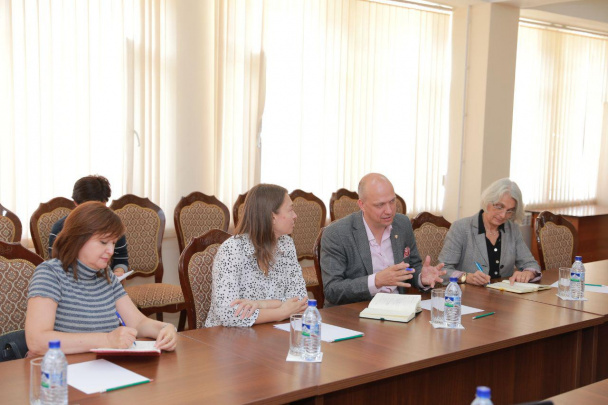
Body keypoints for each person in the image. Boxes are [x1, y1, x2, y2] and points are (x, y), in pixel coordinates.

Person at [26, 202, 177, 355]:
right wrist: (106, 340)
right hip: (64, 366)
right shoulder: (50, 273)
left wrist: (165, 328)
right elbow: (37, 341)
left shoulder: (106, 275)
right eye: (103, 242)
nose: (111, 250)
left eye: (113, 242)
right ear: (78, 238)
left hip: (104, 364)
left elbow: (138, 322)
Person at [320, 173, 446, 307]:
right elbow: (332, 290)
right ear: (362, 205)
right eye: (380, 205)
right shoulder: (337, 234)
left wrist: (421, 277)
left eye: (392, 201)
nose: (389, 211)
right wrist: (376, 281)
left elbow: (412, 268)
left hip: (398, 308)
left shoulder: (402, 224)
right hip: (356, 310)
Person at [205, 184, 308, 327]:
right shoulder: (232, 250)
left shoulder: (287, 244)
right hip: (226, 335)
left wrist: (260, 304)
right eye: (290, 210)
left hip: (268, 330)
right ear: (272, 217)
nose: (295, 216)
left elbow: (300, 300)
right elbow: (227, 313)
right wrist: (281, 312)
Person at [438, 178, 541, 285]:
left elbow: (530, 263)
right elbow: (443, 270)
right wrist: (465, 277)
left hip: (504, 293)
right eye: (499, 207)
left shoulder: (512, 229)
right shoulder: (461, 228)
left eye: (509, 211)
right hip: (469, 293)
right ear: (487, 201)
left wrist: (528, 273)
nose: (503, 215)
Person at [48, 175, 128, 277]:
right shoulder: (60, 228)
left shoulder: (113, 226)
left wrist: (119, 271)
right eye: (103, 242)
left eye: (98, 206)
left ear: (105, 203)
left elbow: (121, 257)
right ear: (76, 204)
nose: (110, 251)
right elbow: (57, 266)